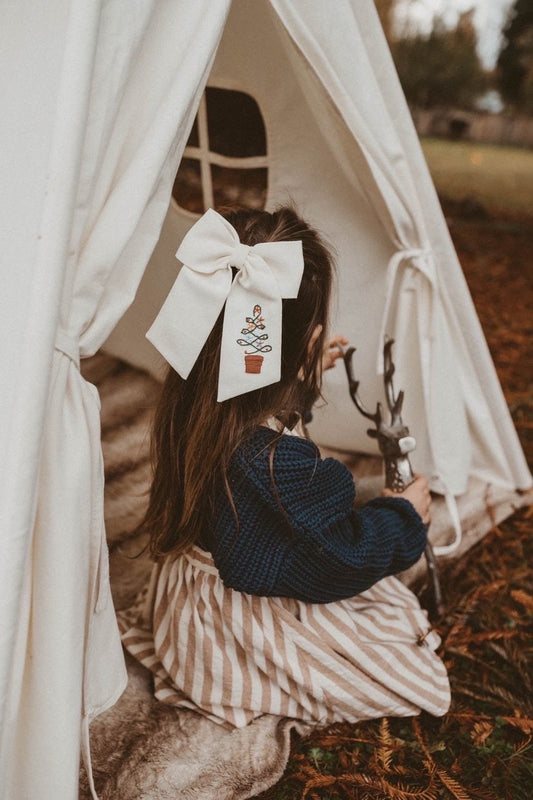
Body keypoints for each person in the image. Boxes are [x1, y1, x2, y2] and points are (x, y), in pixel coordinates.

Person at [118, 206, 450, 729]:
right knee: (401, 654)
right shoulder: (271, 465)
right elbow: (334, 561)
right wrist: (404, 519)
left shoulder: (198, 396)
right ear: (305, 340)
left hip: (193, 590)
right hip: (236, 625)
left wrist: (298, 370)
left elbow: (250, 379)